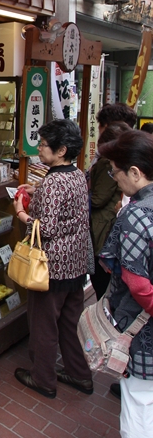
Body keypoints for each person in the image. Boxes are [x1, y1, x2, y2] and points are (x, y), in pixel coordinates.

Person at [12, 119, 94, 398]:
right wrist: (38, 191)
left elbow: (43, 228)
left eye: (44, 145)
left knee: (44, 325)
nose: (39, 149)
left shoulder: (52, 182)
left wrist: (21, 212)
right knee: (69, 324)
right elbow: (68, 211)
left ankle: (43, 378)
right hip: (77, 263)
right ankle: (79, 373)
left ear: (61, 151)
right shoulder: (77, 175)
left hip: (51, 268)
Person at [98, 131, 153, 430]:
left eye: (115, 171)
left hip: (142, 331)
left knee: (137, 407)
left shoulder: (136, 215)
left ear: (135, 172)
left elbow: (138, 284)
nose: (113, 178)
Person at [89, 123, 129, 297]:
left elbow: (99, 199)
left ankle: (102, 319)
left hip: (103, 225)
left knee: (101, 278)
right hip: (107, 223)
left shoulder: (109, 165)